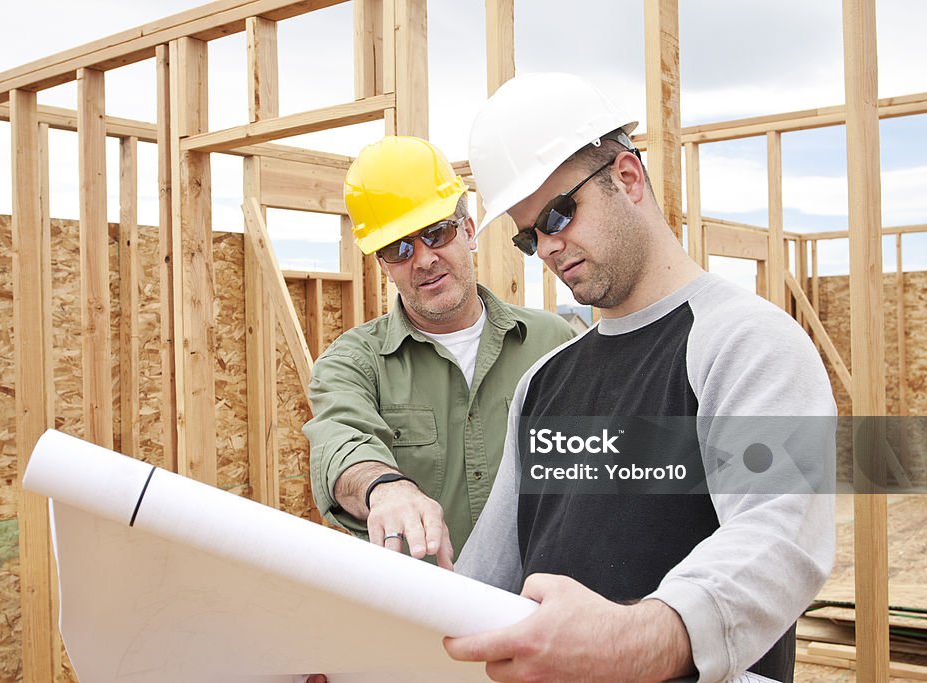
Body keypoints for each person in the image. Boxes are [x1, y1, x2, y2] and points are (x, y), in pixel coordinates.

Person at [446, 73, 836, 682]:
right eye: (529, 235)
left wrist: (635, 639)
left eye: (558, 213)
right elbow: (485, 581)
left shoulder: (743, 342)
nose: (547, 246)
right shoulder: (543, 384)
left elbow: (779, 535)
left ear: (627, 178)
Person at [304, 135, 576, 569]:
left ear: (468, 231)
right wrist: (385, 487)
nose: (424, 259)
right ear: (383, 264)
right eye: (399, 248)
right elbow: (341, 443)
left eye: (436, 233)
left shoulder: (552, 342)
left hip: (540, 609)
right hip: (419, 615)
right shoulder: (352, 363)